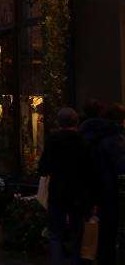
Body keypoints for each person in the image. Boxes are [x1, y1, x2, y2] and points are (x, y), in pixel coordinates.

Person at [39, 107, 91, 265]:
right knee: (77, 234)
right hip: (78, 194)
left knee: (55, 234)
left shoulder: (52, 141)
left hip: (57, 192)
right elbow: (90, 169)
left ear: (59, 122)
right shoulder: (82, 141)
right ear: (76, 122)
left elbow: (43, 168)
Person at [81, 102, 125, 264]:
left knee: (102, 231)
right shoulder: (112, 139)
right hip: (109, 190)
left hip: (92, 189)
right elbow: (120, 166)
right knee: (110, 230)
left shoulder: (89, 135)